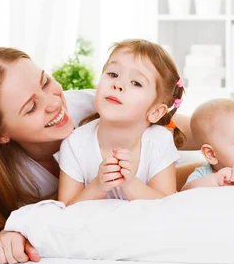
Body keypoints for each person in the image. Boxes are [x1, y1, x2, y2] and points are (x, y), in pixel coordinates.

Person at [0, 46, 197, 263]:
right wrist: (14, 232)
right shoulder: (7, 177)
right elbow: (48, 214)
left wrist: (221, 138)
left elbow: (178, 129)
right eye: (31, 107)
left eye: (46, 82)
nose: (55, 102)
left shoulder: (93, 105)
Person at [57, 39, 183, 204]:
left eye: (136, 83)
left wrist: (130, 184)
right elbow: (66, 208)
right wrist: (97, 186)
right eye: (113, 74)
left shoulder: (160, 141)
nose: (117, 84)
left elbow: (168, 205)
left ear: (155, 112)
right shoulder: (74, 144)